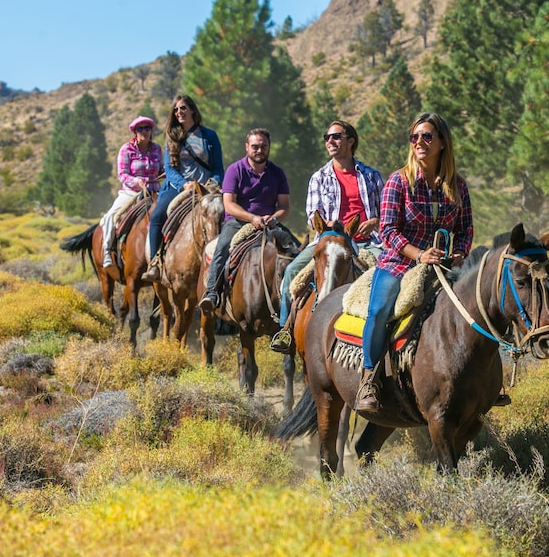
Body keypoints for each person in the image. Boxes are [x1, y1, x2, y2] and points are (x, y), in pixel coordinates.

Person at [356, 112, 473, 412]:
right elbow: (388, 230)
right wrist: (419, 254)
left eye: (427, 136)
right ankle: (369, 378)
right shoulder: (399, 181)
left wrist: (459, 251)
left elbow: (465, 229)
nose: (419, 142)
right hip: (400, 263)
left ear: (443, 143)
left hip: (445, 265)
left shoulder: (457, 186)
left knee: (481, 305)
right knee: (380, 309)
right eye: (415, 137)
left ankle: (484, 380)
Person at [269, 120, 384, 353]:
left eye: (336, 137)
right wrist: (327, 223)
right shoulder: (319, 178)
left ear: (351, 141)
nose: (330, 141)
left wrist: (374, 222)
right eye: (327, 137)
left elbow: (387, 213)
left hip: (367, 243)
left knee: (387, 274)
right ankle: (285, 330)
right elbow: (312, 216)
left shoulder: (371, 176)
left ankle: (387, 330)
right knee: (292, 272)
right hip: (330, 239)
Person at [197, 127, 291, 312]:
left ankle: (294, 297)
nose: (259, 150)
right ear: (247, 147)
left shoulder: (277, 173)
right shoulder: (235, 170)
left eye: (264, 146)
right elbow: (229, 204)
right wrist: (252, 217)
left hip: (269, 223)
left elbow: (285, 206)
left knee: (292, 250)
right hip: (238, 222)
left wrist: (274, 219)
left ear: (269, 148)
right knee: (221, 248)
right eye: (255, 146)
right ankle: (212, 293)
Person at [142, 95, 224, 283]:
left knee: (226, 216)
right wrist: (183, 184)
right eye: (176, 110)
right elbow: (169, 169)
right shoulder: (172, 137)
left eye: (183, 108)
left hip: (207, 189)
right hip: (178, 188)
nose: (179, 112)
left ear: (192, 110)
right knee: (156, 216)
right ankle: (155, 263)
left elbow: (218, 167)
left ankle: (228, 261)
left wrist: (213, 183)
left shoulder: (209, 136)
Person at [101, 116, 163, 268]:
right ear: (135, 132)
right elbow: (122, 174)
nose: (144, 132)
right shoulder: (126, 149)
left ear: (151, 131)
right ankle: (107, 251)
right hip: (131, 193)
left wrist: (165, 173)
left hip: (154, 192)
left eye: (147, 128)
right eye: (140, 129)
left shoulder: (157, 149)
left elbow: (161, 169)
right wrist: (137, 182)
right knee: (111, 216)